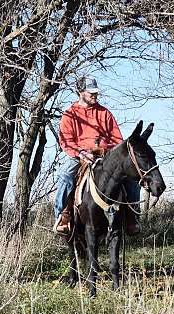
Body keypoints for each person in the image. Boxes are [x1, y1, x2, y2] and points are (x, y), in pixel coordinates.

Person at [53, 76, 141, 235]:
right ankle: (62, 216)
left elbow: (117, 139)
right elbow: (66, 140)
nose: (94, 95)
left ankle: (132, 215)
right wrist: (81, 153)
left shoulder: (105, 113)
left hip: (105, 155)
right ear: (80, 92)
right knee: (66, 175)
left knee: (131, 176)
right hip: (80, 155)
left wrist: (110, 152)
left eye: (96, 92)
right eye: (90, 92)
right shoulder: (70, 115)